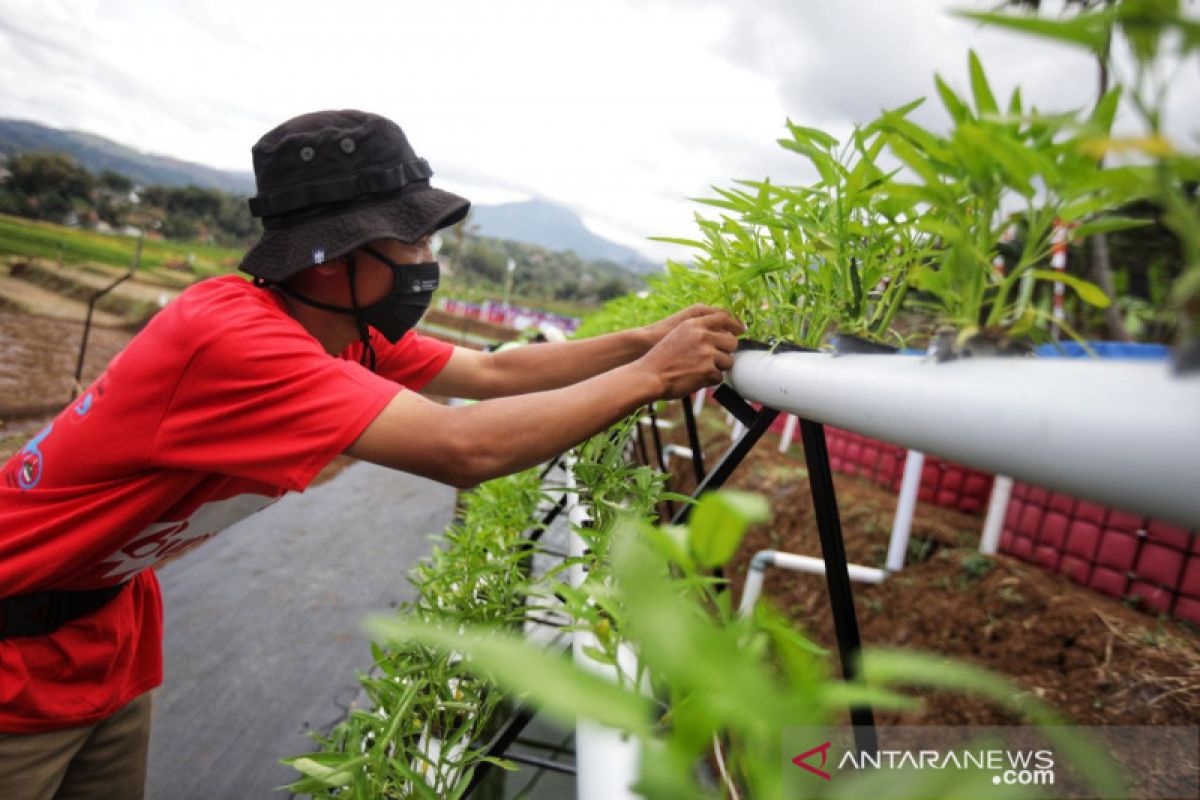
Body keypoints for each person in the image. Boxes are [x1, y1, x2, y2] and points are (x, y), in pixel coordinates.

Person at [0, 109, 741, 798]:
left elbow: (491, 374)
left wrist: (643, 341)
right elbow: (463, 447)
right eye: (410, 240)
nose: (427, 260)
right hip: (15, 644)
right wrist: (650, 378)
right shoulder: (239, 344)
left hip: (107, 628)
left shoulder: (338, 328)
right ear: (331, 256)